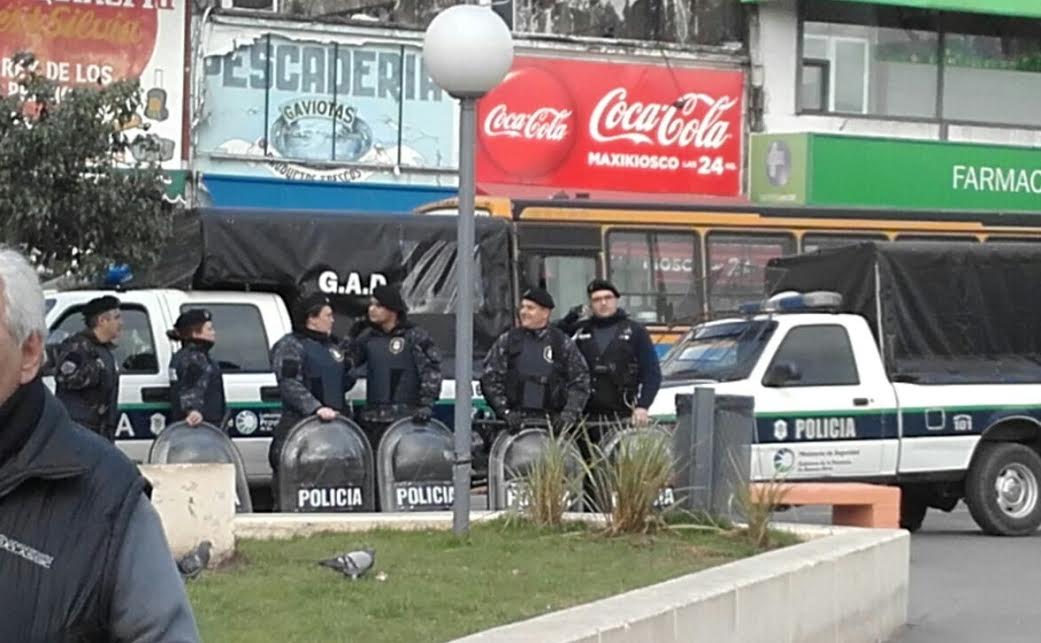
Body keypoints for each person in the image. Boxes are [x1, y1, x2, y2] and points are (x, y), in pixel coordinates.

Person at [0, 245, 200, 641]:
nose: (118, 325)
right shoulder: (83, 350)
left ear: (29, 353)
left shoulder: (108, 504)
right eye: (112, 318)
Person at [268, 293, 356, 504]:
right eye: (327, 315)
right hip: (300, 426)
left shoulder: (334, 347)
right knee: (296, 482)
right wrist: (315, 408)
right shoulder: (291, 345)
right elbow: (289, 383)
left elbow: (343, 381)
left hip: (334, 427)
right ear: (312, 318)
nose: (332, 320)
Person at [480, 287, 590, 434]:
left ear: (545, 313)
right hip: (515, 426)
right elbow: (490, 379)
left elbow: (580, 381)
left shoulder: (561, 343)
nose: (524, 312)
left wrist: (567, 416)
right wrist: (505, 412)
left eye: (530, 308)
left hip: (552, 426)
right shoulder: (508, 341)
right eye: (522, 307)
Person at [348, 284, 443, 451]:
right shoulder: (369, 338)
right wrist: (351, 336)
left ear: (392, 309)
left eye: (378, 305)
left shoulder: (414, 335)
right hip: (373, 421)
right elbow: (344, 363)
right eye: (370, 305)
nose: (371, 310)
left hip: (405, 420)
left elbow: (430, 371)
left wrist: (426, 404)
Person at [562, 279, 662, 436]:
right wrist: (569, 318)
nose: (603, 303)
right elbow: (551, 337)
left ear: (616, 300)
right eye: (596, 299)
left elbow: (652, 373)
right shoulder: (580, 330)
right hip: (584, 418)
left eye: (607, 298)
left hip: (621, 416)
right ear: (590, 305)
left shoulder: (636, 331)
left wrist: (643, 406)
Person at [54, 294, 123, 441]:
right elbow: (66, 377)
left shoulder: (104, 351)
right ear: (102, 321)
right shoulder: (77, 347)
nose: (121, 323)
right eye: (116, 318)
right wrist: (96, 372)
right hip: (79, 432)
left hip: (100, 433)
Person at [168, 308, 227, 429]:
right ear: (195, 333)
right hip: (202, 429)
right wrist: (193, 410)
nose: (214, 332)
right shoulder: (195, 358)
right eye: (209, 329)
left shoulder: (181, 356)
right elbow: (191, 386)